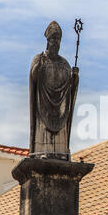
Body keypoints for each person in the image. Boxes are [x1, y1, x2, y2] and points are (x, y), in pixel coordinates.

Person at [29, 21, 79, 160]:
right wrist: (38, 67)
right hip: (43, 105)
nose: (55, 43)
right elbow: (33, 77)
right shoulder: (39, 59)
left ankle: (61, 153)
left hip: (60, 109)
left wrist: (74, 78)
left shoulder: (65, 64)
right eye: (53, 39)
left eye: (58, 40)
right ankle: (42, 151)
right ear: (48, 41)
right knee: (43, 131)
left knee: (60, 135)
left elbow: (70, 87)